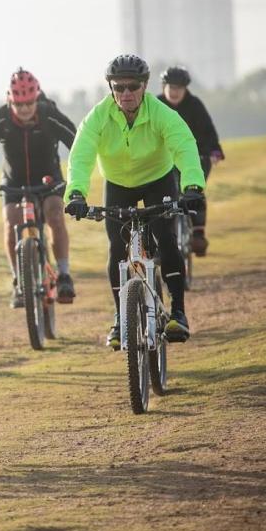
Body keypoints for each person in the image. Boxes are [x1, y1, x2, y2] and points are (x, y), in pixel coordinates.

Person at [63, 54, 206, 349]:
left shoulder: (161, 113)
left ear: (144, 86)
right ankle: (120, 317)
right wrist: (76, 192)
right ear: (111, 88)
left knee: (165, 238)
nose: (126, 93)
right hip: (118, 184)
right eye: (119, 87)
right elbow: (81, 156)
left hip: (158, 179)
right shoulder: (98, 117)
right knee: (116, 248)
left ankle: (178, 311)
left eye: (133, 86)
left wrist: (192, 185)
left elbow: (184, 145)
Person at [0, 68, 78, 308]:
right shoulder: (2, 117)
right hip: (14, 181)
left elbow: (76, 142)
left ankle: (65, 274)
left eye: (29, 103)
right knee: (11, 221)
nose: (25, 109)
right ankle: (18, 281)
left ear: (36, 98)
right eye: (19, 104)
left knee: (55, 213)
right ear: (10, 100)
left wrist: (78, 176)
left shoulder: (49, 114)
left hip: (49, 178)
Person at [157, 66, 224, 256]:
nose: (175, 91)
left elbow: (209, 131)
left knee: (194, 189)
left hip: (197, 155)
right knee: (163, 192)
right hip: (166, 158)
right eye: (171, 87)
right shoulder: (155, 104)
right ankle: (162, 235)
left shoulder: (195, 105)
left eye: (179, 87)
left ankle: (198, 234)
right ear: (164, 87)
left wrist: (215, 150)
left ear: (186, 88)